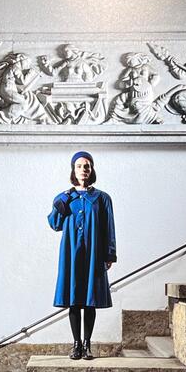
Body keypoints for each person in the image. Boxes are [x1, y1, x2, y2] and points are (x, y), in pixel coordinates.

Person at [47, 151, 116, 360]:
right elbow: (55, 224)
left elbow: (109, 228)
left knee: (90, 299)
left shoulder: (102, 198)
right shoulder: (64, 198)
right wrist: (60, 203)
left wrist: (110, 254)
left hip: (94, 254)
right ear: (73, 170)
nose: (83, 169)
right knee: (74, 298)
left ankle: (87, 344)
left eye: (87, 166)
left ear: (92, 169)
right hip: (71, 254)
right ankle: (76, 344)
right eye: (79, 166)